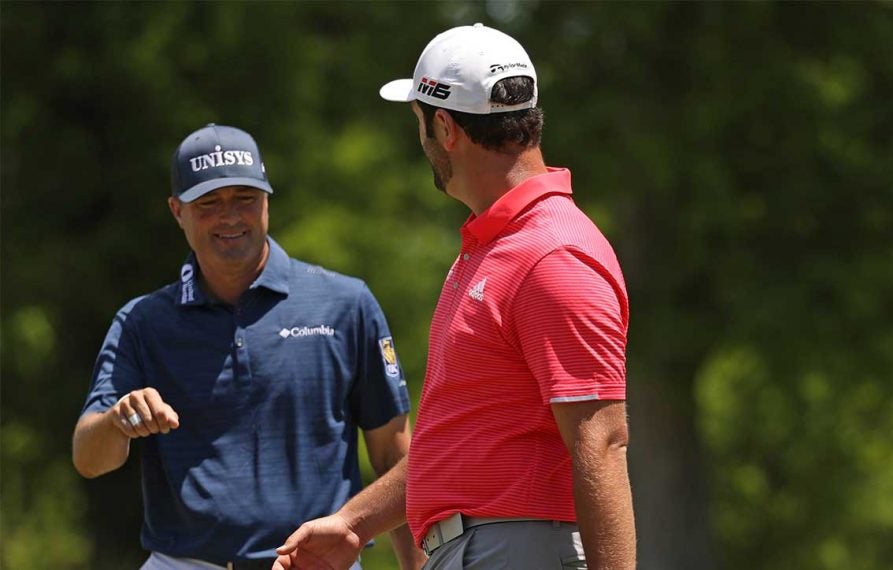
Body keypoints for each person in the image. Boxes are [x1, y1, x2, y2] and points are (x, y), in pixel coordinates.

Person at [275, 23, 635, 570]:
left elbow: (603, 442)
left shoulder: (551, 254)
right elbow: (462, 444)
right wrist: (355, 521)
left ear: (444, 127)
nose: (419, 141)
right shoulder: (493, 248)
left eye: (418, 123)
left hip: (516, 550)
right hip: (482, 549)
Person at [72, 124, 424, 570]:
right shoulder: (143, 321)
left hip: (316, 563)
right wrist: (118, 421)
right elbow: (89, 458)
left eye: (245, 198)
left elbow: (396, 459)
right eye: (209, 203)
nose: (231, 217)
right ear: (176, 210)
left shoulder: (345, 304)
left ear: (267, 201)